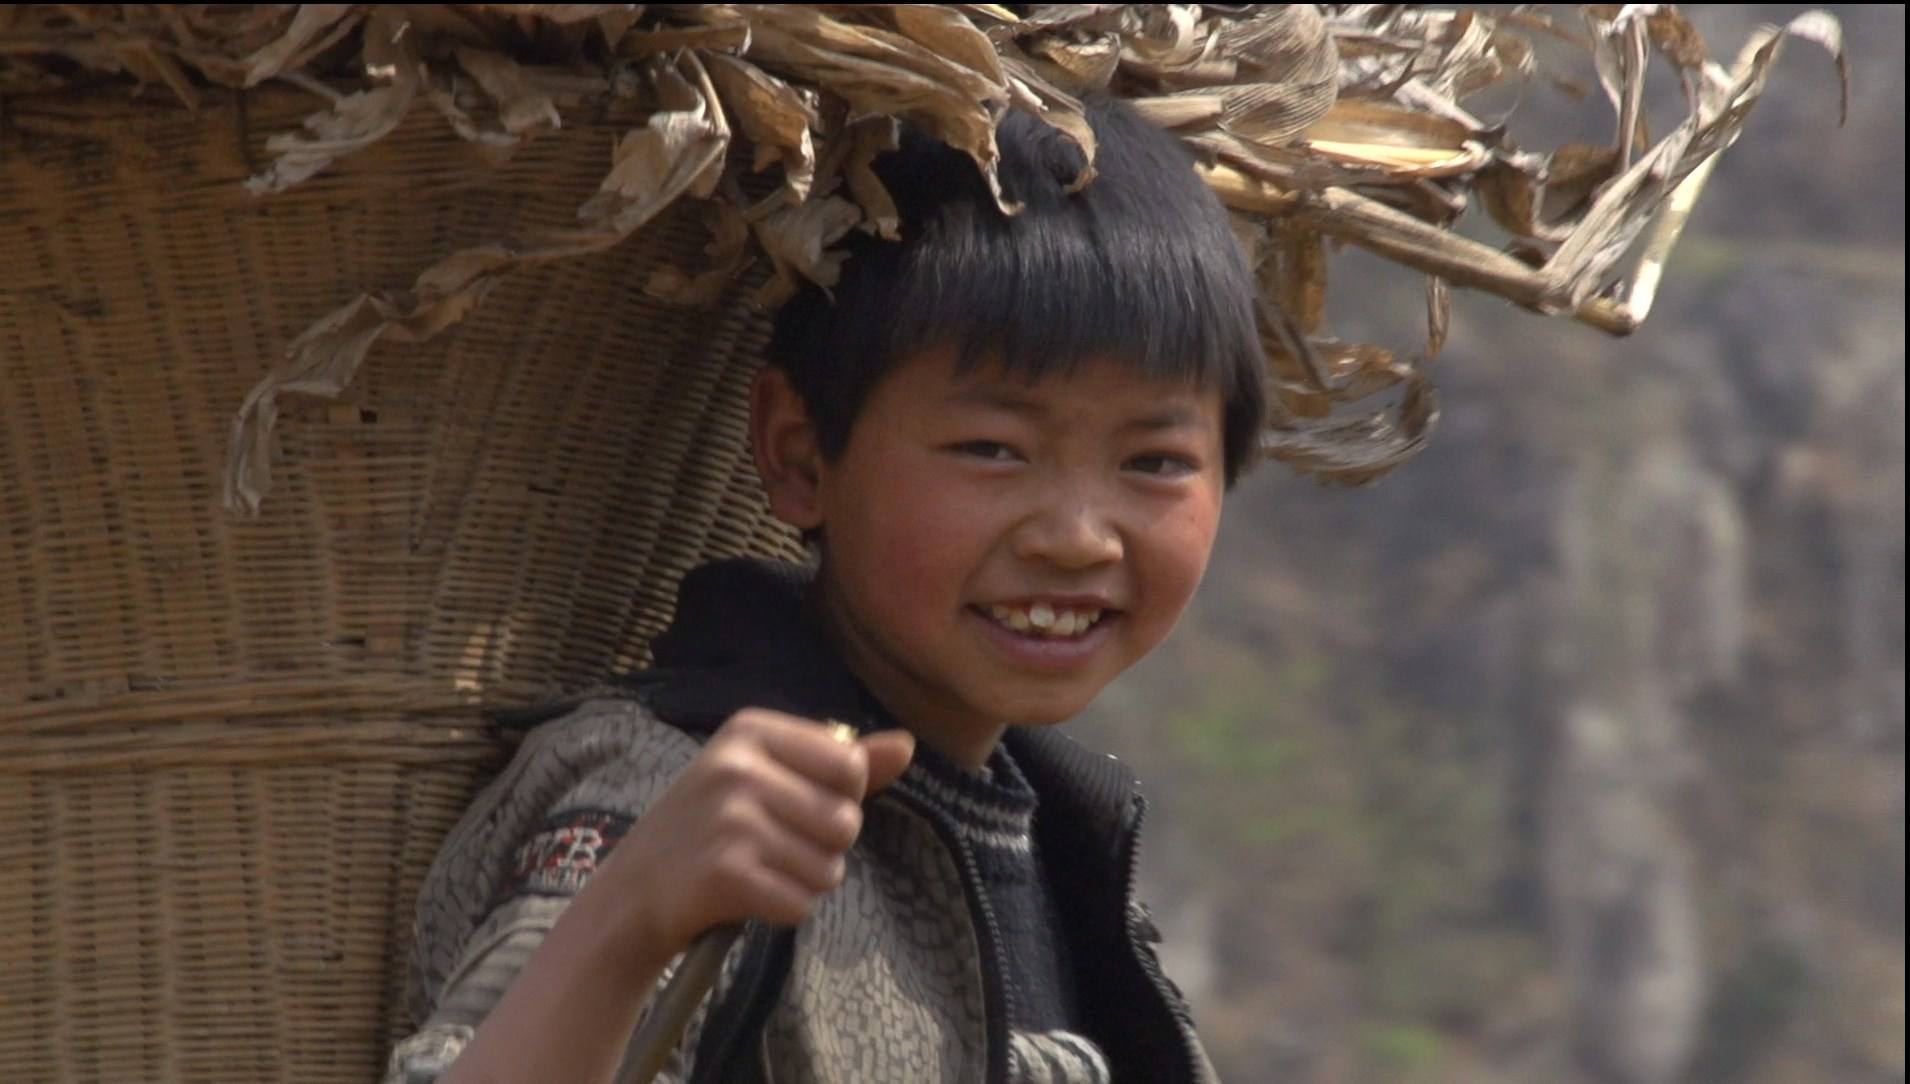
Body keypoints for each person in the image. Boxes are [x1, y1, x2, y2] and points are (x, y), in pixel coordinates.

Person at [384, 93, 1266, 1084]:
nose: (1073, 537)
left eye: (1152, 461)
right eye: (990, 449)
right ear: (800, 455)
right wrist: (626, 921)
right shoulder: (669, 789)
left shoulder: (1070, 846)